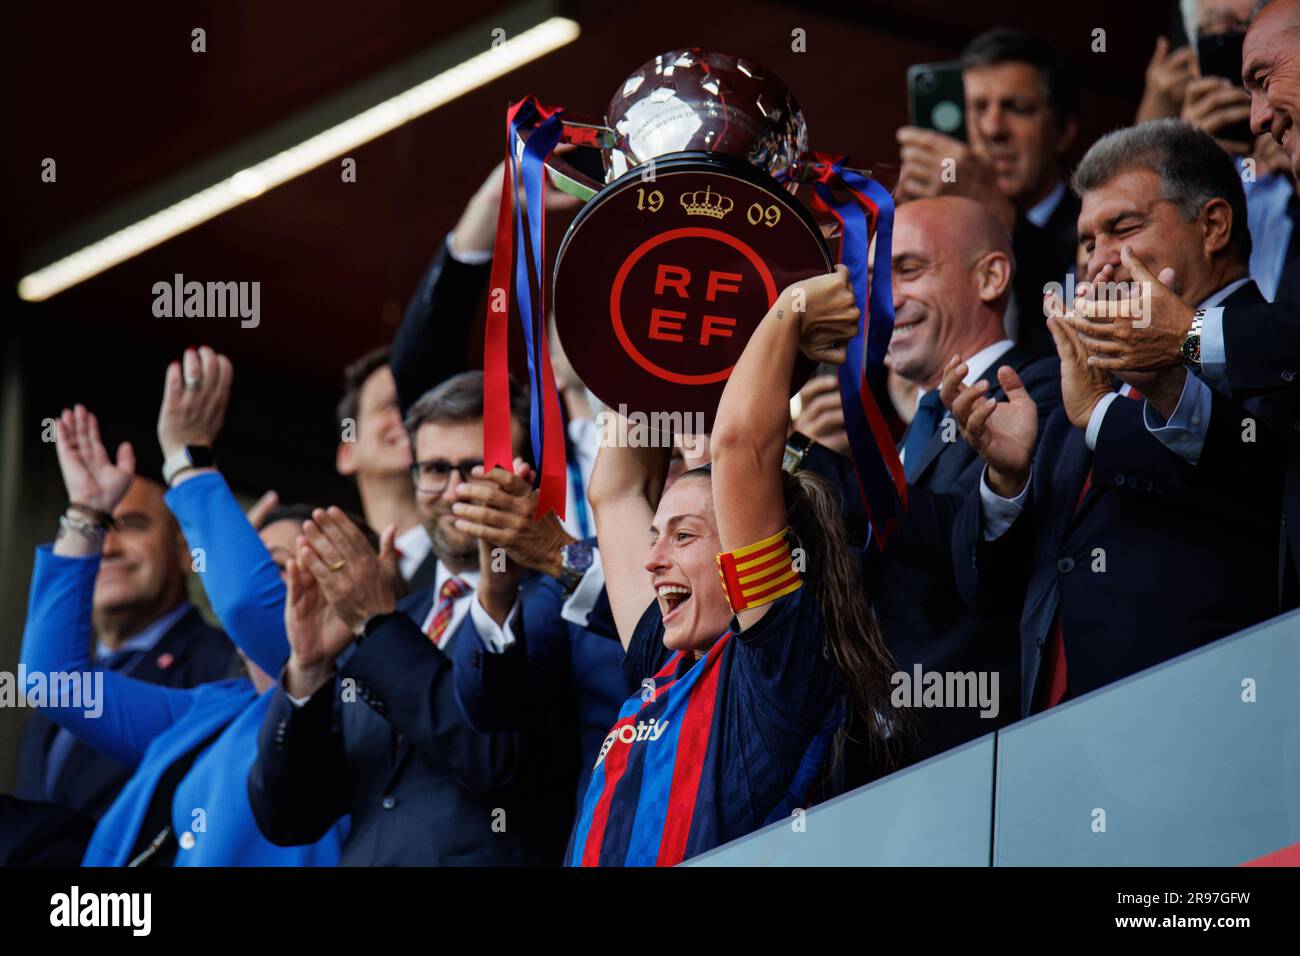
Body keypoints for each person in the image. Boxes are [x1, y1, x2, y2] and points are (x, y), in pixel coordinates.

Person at [946, 120, 1283, 713]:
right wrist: (1007, 483)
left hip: (1217, 731)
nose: (1100, 263)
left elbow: (1259, 491)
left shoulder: (1275, 356)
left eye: (1123, 228)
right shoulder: (1087, 377)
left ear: (1214, 226)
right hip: (1059, 752)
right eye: (1085, 242)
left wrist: (1108, 411)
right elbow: (990, 598)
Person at [572, 266, 902, 867]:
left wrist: (790, 307)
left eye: (684, 536)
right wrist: (655, 323)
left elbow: (740, 448)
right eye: (656, 537)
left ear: (746, 556)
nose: (650, 560)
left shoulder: (774, 671)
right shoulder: (666, 663)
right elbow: (615, 492)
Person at [18, 348, 345, 865]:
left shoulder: (351, 701)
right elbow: (51, 680)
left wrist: (188, 461)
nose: (279, 582)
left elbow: (246, 605)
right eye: (263, 565)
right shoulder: (214, 709)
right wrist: (87, 513)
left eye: (284, 566)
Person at [248, 371, 573, 865]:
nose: (453, 491)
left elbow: (493, 759)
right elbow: (288, 817)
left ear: (526, 475)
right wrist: (308, 668)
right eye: (435, 469)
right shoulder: (395, 618)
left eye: (479, 469)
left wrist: (379, 625)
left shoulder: (557, 601)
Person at [13, 468, 234, 828]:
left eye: (132, 524)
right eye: (97, 532)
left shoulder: (224, 668)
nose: (108, 547)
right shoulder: (48, 695)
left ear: (184, 552)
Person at [896, 28, 1080, 356]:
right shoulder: (939, 230)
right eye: (978, 108)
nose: (993, 128)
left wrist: (997, 212)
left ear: (1063, 132)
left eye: (1017, 108)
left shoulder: (1093, 223)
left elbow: (1072, 314)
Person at [334, 348, 434, 589]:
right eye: (392, 404)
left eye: (422, 405)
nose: (411, 416)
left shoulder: (488, 561)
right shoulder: (329, 577)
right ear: (348, 453)